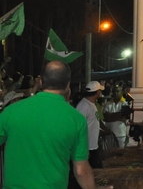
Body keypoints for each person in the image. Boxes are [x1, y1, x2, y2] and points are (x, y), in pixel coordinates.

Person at [0, 61, 111, 189]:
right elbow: (81, 170)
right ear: (68, 85)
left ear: (41, 81)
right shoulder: (76, 119)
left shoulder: (11, 112)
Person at [76, 81, 108, 169]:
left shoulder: (91, 104)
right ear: (97, 92)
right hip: (87, 147)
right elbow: (78, 126)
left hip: (92, 146)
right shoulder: (84, 106)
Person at [103, 81, 132, 148]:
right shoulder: (108, 104)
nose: (115, 93)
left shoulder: (125, 104)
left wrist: (110, 116)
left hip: (121, 134)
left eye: (118, 91)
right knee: (110, 152)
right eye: (114, 91)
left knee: (120, 152)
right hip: (110, 134)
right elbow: (105, 118)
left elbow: (122, 117)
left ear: (122, 92)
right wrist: (118, 115)